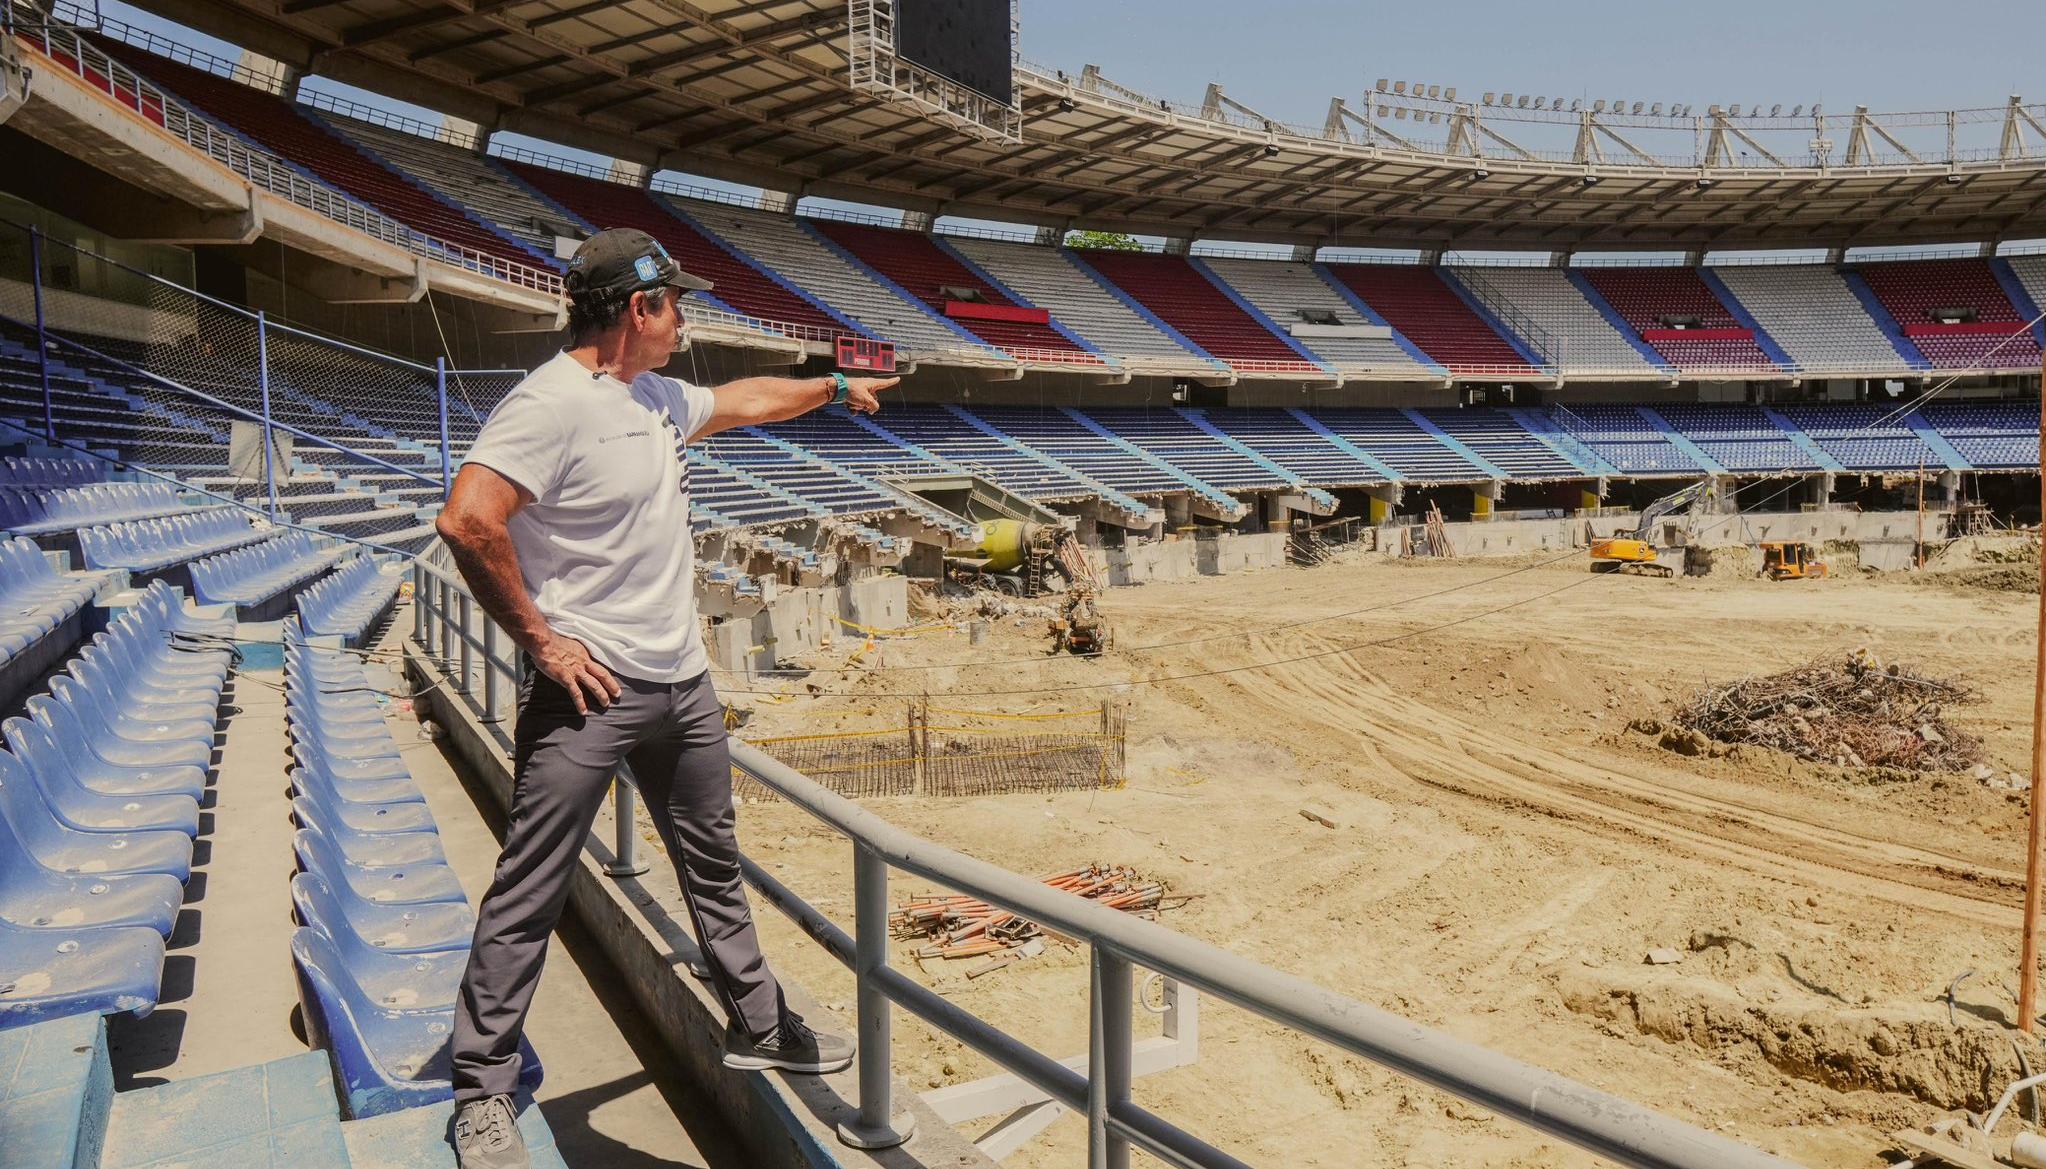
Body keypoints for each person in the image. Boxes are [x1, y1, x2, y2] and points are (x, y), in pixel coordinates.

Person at [434, 227, 898, 1169]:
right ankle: (481, 1088)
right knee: (530, 887)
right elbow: (467, 517)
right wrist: (542, 640)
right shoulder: (551, 404)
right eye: (674, 303)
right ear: (637, 309)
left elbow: (740, 402)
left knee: (713, 864)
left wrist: (834, 388)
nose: (686, 317)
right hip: (590, 694)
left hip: (681, 683)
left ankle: (759, 1022)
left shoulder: (653, 396)